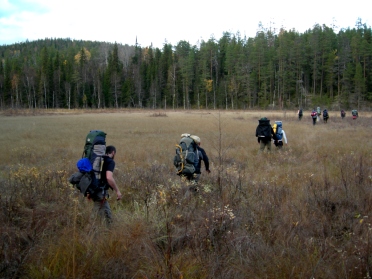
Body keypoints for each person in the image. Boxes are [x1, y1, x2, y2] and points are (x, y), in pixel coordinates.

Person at [90, 145, 122, 225]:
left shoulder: (98, 160)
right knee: (96, 214)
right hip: (100, 192)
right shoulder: (110, 161)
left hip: (93, 189)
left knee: (105, 212)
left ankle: (109, 229)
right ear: (113, 152)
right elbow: (109, 177)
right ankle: (90, 231)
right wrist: (117, 191)